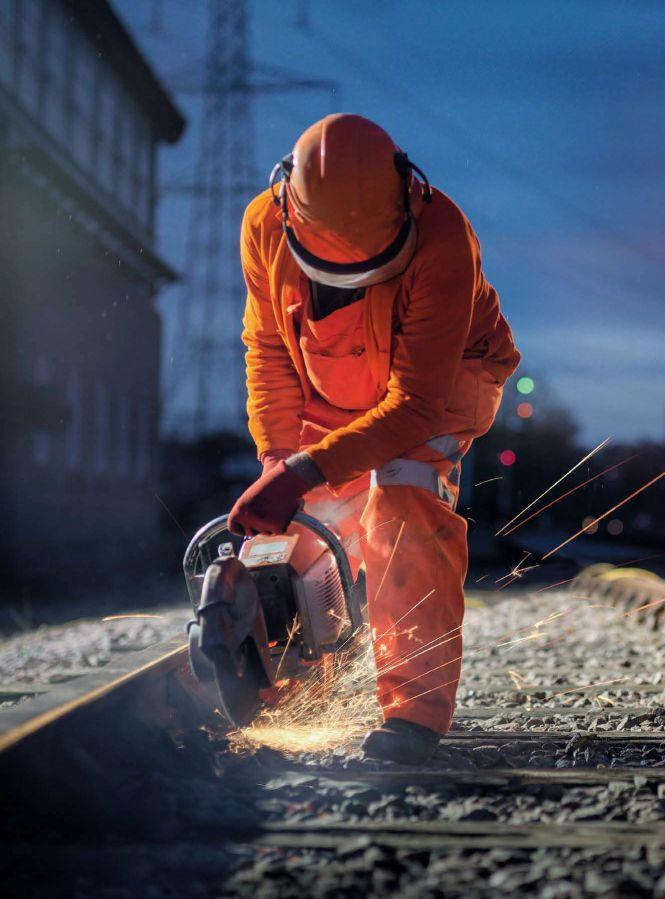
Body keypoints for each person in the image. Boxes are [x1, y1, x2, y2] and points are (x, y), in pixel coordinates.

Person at [226, 114, 520, 761]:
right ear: (290, 208)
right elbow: (269, 348)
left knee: (401, 499)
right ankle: (295, 684)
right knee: (300, 526)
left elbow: (413, 407)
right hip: (334, 385)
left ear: (407, 202)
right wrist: (280, 461)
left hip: (444, 382)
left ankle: (413, 714)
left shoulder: (443, 236)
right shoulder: (262, 226)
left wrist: (303, 470)